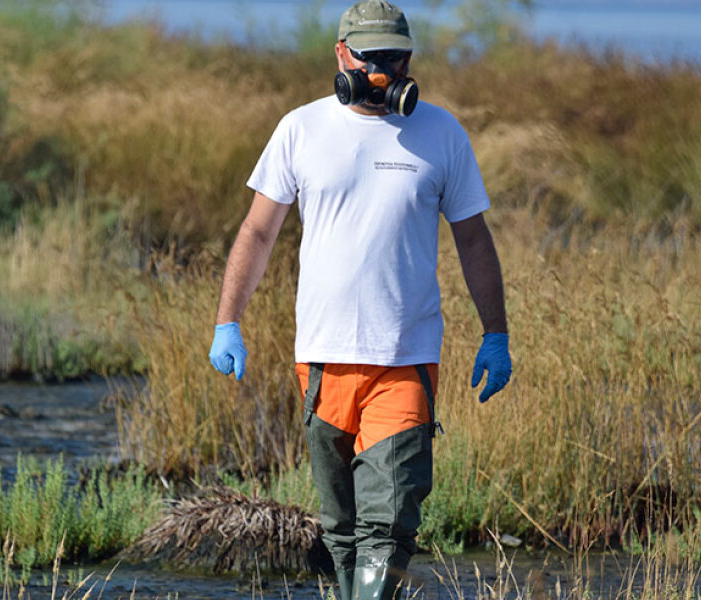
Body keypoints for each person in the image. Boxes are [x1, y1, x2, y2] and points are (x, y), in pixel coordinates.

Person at [208, 1, 512, 598]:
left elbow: (473, 238)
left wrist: (495, 331)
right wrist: (228, 322)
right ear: (342, 55)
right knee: (342, 532)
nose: (383, 73)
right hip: (322, 363)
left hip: (404, 360)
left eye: (396, 59)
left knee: (388, 528)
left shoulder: (441, 133)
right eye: (371, 59)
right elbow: (257, 232)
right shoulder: (300, 128)